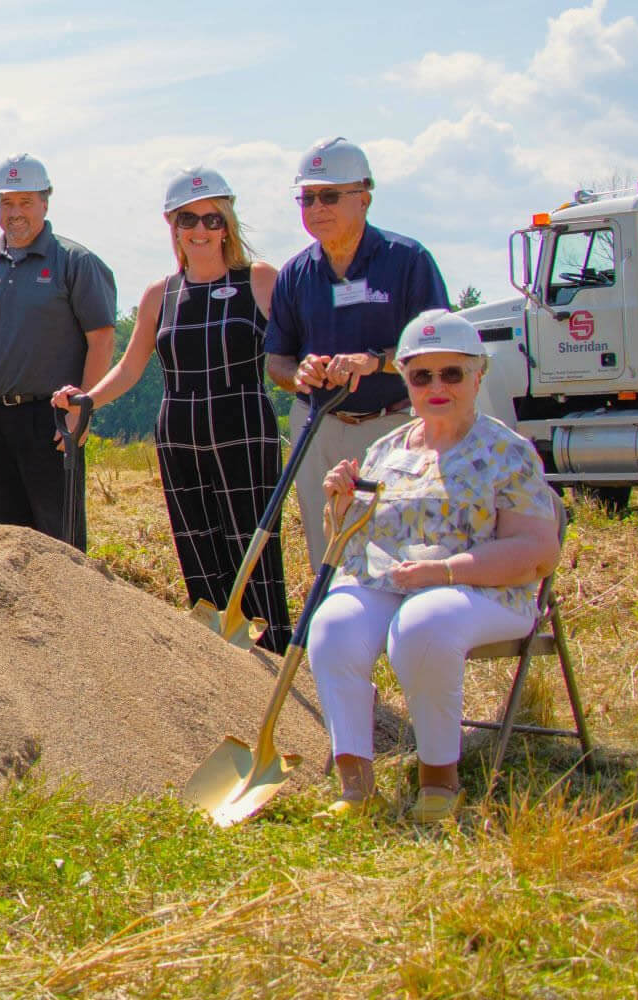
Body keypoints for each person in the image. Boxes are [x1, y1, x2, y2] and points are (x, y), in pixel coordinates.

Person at [308, 311, 560, 823]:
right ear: (406, 380)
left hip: (487, 591)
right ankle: (355, 787)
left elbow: (537, 551)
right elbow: (353, 544)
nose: (437, 386)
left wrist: (443, 573)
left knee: (422, 623)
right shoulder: (385, 450)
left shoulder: (507, 452)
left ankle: (439, 784)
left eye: (452, 373)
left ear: (478, 375)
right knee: (332, 626)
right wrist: (339, 503)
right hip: (390, 583)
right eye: (422, 376)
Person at [50, 167, 291, 650]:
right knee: (196, 542)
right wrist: (86, 400)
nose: (200, 231)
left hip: (243, 423)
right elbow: (132, 365)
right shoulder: (160, 294)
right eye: (188, 219)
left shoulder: (260, 280)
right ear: (172, 225)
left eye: (211, 219)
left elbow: (293, 352)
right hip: (179, 429)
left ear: (227, 224)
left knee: (253, 542)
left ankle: (274, 653)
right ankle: (217, 653)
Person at [264, 136, 451, 570]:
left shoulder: (407, 260)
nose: (316, 208)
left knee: (397, 545)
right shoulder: (295, 273)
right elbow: (277, 360)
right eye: (307, 198)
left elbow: (437, 348)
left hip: (391, 423)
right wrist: (300, 375)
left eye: (329, 195)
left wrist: (375, 361)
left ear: (364, 198)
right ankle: (331, 628)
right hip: (317, 425)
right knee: (324, 546)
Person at [0, 153, 117, 550]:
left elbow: (102, 339)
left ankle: (67, 613)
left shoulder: (75, 261)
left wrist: (83, 409)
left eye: (25, 202)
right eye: (6, 203)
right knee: (4, 539)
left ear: (45, 201)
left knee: (59, 541)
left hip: (52, 418)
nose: (16, 212)